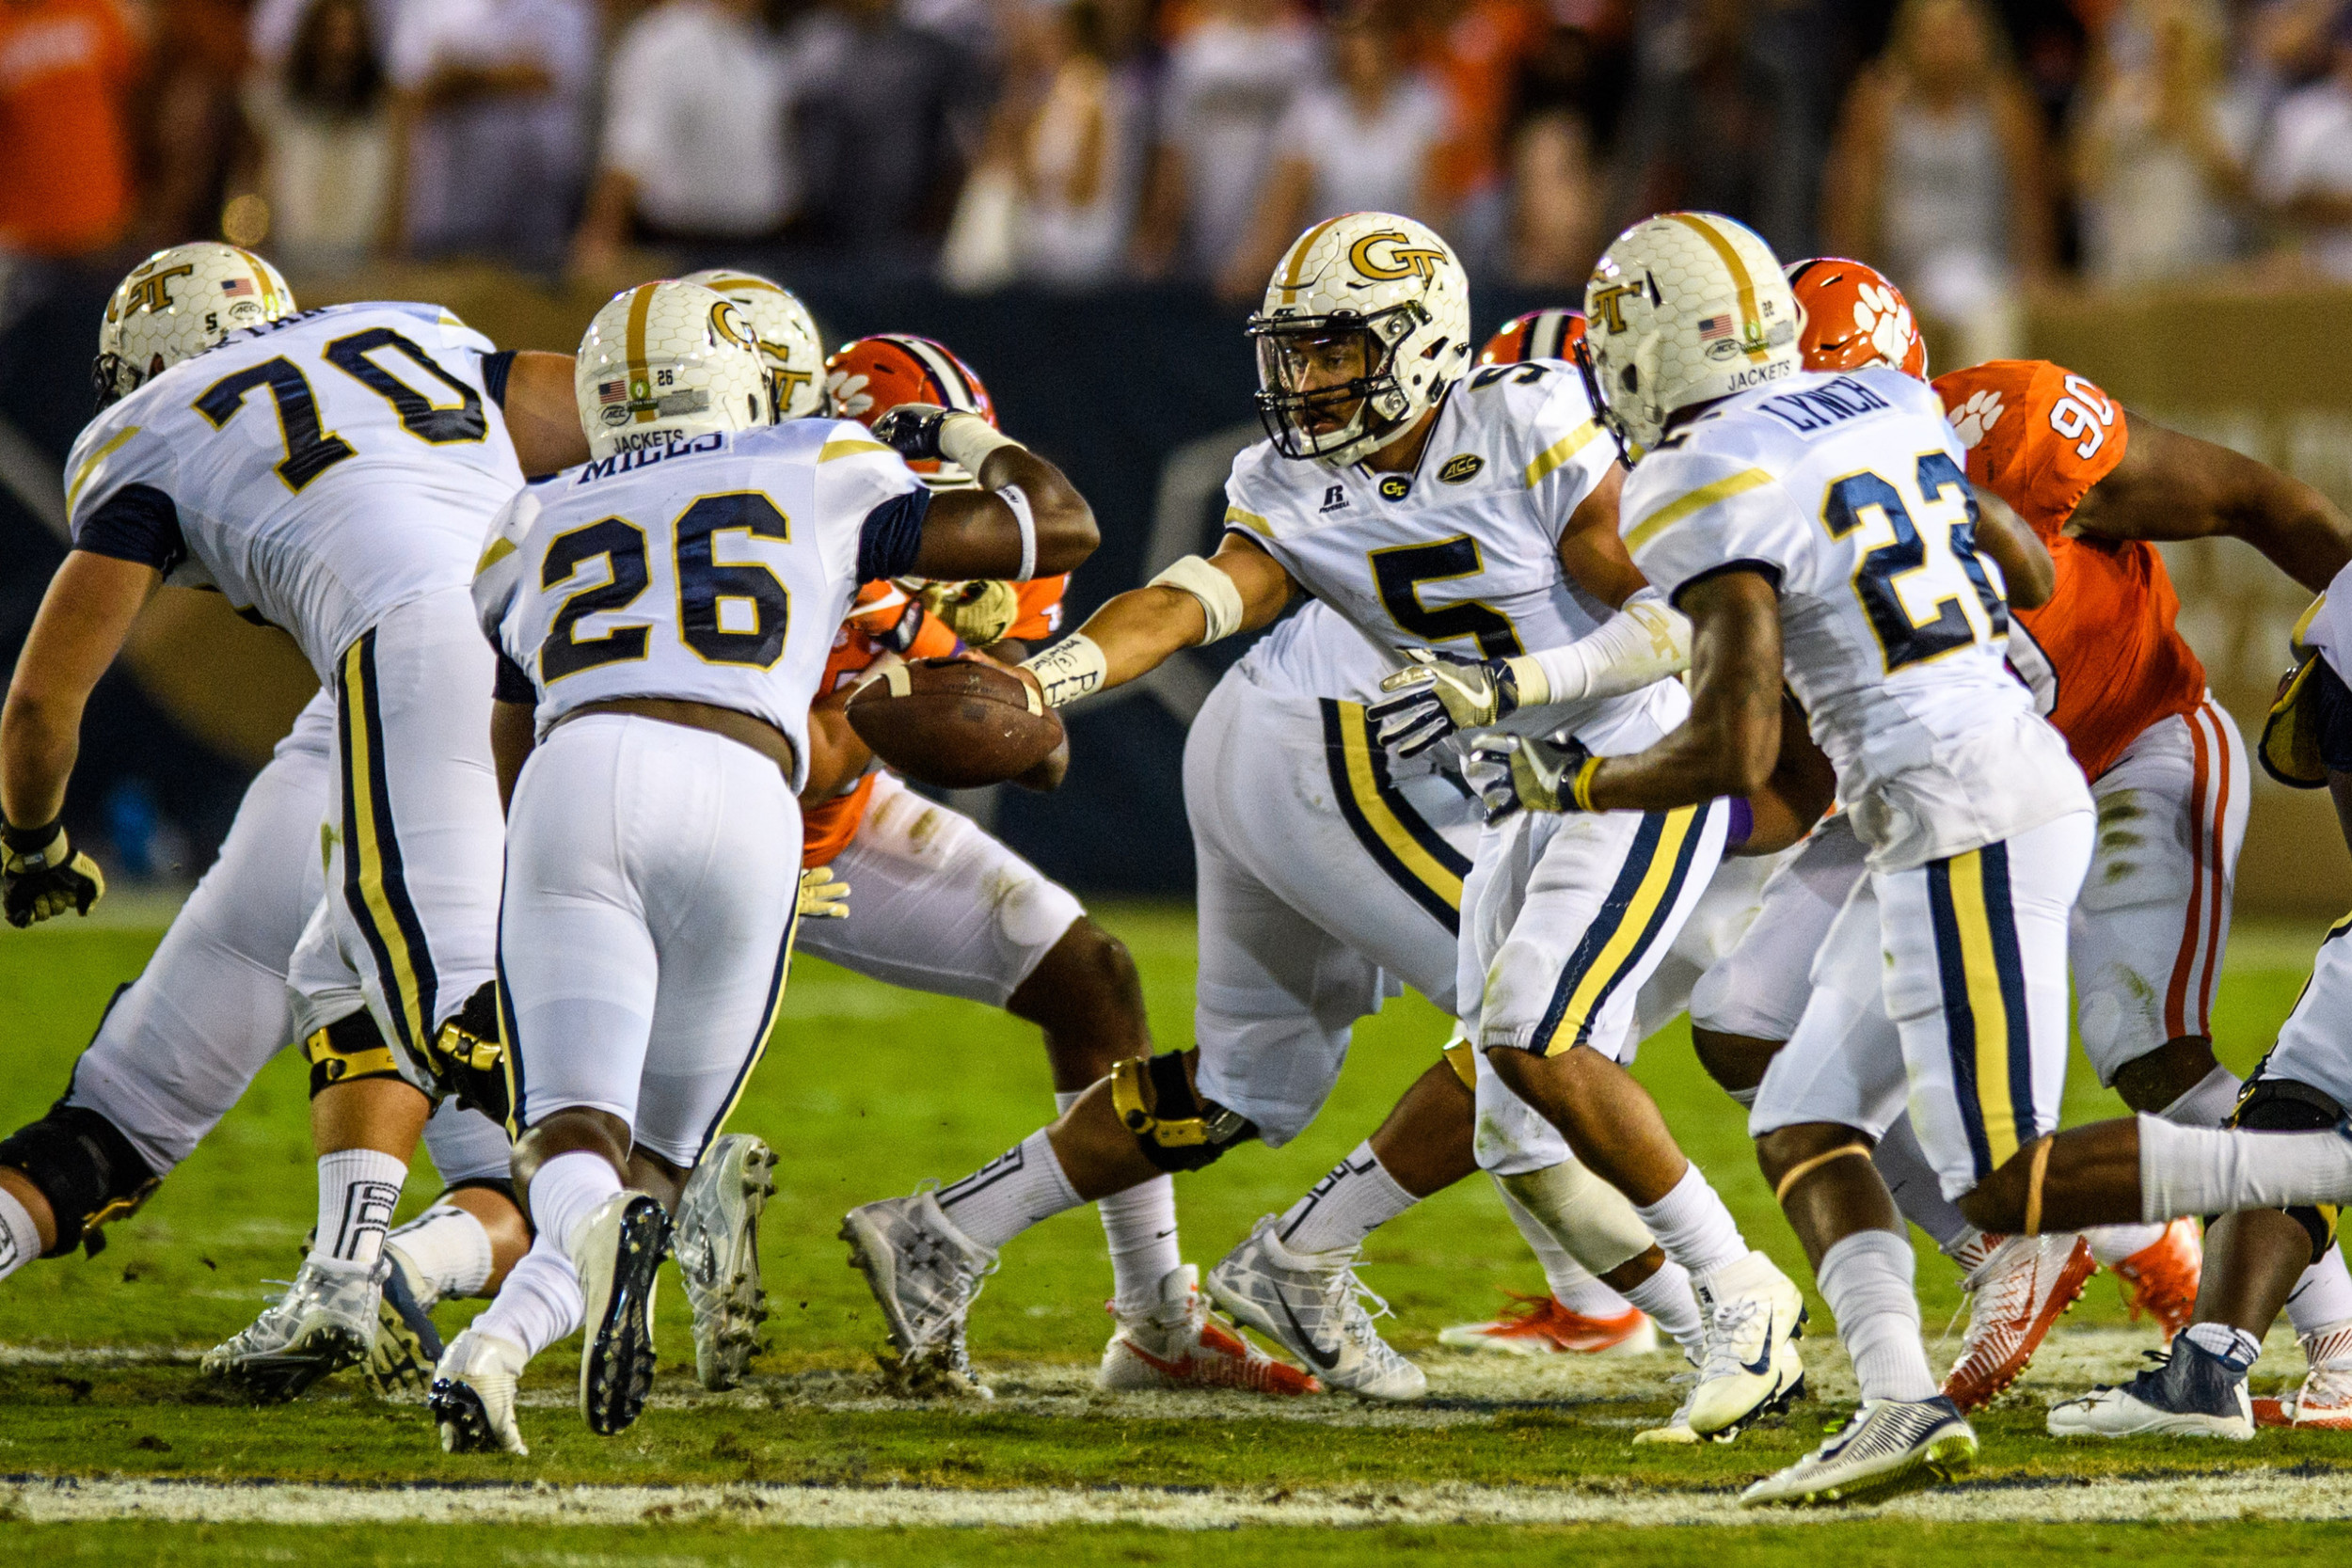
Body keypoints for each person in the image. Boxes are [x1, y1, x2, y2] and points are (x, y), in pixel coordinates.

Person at [842, 213, 1807, 1442]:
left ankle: (1708, 1301)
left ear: (1419, 343)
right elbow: (1196, 596)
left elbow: (1670, 617)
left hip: (1617, 761)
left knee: (1518, 1046)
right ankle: (1711, 1300)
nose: (1303, 381)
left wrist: (1520, 690)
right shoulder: (1289, 479)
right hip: (1500, 781)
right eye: (1291, 353)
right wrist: (1052, 677)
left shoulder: (1521, 418)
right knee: (1502, 1052)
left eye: (1333, 352)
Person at [1481, 210, 2098, 1505]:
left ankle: (2216, 1233)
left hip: (1959, 792)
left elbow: (1736, 741)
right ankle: (1897, 1395)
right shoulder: (1885, 404)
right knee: (1768, 1058)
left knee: (2026, 1150)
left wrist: (1575, 772)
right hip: (1924, 782)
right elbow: (2030, 569)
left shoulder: (1715, 475)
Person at [1682, 255, 2352, 1419]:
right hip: (1947, 786)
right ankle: (2007, 1244)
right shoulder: (1754, 510)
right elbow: (1795, 768)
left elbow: (2254, 497)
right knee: (1746, 1019)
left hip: (2130, 743)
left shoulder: (2015, 429)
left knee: (2141, 1037)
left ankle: (2330, 1328)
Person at [437, 278, 1099, 1453]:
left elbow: (509, 724)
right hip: (749, 791)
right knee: (659, 1164)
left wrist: (519, 881)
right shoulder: (819, 460)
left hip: (575, 773)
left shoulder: (522, 517)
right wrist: (946, 436)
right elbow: (1059, 519)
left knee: (569, 1132)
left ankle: (500, 1331)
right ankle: (488, 1350)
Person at [0, 243, 590, 1403]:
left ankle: (654, 1196)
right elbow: (610, 410)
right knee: (137, 1102)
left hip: (428, 660)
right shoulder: (421, 335)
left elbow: (38, 702)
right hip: (482, 666)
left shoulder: (154, 428)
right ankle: (358, 1270)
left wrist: (32, 841)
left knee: (463, 1043)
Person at [793, 331, 1309, 1396]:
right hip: (722, 831)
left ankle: (1158, 1317)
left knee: (1093, 976)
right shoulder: (782, 523)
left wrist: (967, 660)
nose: (936, 500)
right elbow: (798, 742)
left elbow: (1042, 752)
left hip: (839, 826)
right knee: (618, 1094)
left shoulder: (976, 532)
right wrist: (907, 661)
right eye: (910, 470)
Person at [1821, 0, 2054, 344]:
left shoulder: (2004, 103)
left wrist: (2036, 280)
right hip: (1902, 277)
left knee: (1985, 318)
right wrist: (1853, 282)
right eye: (1932, 32)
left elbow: (2031, 199)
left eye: (1955, 31)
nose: (1944, 44)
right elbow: (1852, 198)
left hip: (1988, 278)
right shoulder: (1880, 102)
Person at [1216, 12, 1451, 302]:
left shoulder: (1425, 105)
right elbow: (1279, 214)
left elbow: (1434, 210)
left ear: (1393, 40)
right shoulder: (1314, 114)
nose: (1362, 46)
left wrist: (1415, 284)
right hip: (1329, 287)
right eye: (1352, 36)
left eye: (1372, 34)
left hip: (1406, 283)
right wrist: (1249, 270)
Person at [568, 0, 797, 278]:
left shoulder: (763, 43)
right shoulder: (666, 40)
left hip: (761, 246)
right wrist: (601, 238)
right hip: (683, 247)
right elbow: (631, 149)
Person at [1128, 0, 1318, 283]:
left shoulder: (1303, 51)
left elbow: (1302, 165)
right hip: (1200, 238)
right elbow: (1174, 152)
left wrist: (1263, 252)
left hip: (1280, 254)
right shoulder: (1194, 50)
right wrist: (1158, 237)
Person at [242, 0, 397, 268]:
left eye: (350, 34)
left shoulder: (387, 116)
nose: (341, 47)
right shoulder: (275, 112)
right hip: (289, 271)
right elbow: (252, 198)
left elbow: (395, 211)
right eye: (330, 33)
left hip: (364, 276)